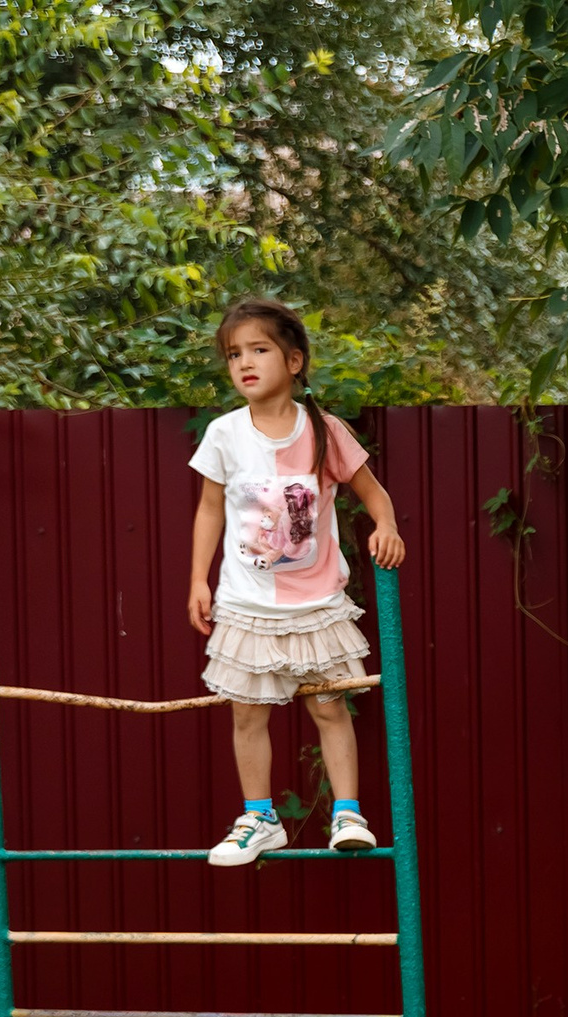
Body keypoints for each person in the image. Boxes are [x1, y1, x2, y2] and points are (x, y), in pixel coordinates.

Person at [186, 298, 405, 866]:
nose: (244, 363)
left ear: (295, 360)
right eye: (234, 354)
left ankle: (347, 813)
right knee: (246, 712)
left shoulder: (324, 431)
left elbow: (373, 493)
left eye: (259, 350)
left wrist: (386, 525)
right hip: (245, 602)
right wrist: (197, 581)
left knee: (330, 708)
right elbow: (209, 509)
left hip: (317, 602)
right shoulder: (224, 433)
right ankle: (259, 818)